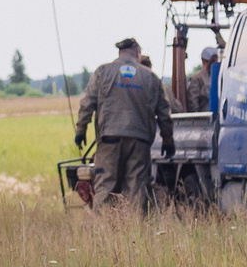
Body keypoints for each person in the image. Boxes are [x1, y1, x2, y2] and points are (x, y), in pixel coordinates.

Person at [74, 38, 175, 210]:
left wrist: (80, 130)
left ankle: (103, 231)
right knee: (137, 189)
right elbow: (164, 112)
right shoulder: (150, 77)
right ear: (138, 53)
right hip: (139, 141)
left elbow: (87, 103)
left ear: (120, 53)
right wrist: (168, 140)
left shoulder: (103, 72)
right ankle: (134, 231)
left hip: (109, 139)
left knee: (105, 186)